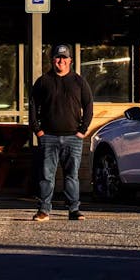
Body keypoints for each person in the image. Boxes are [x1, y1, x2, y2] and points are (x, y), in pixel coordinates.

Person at [29, 43, 94, 221]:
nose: (61, 61)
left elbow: (88, 106)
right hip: (48, 137)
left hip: (73, 137)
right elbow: (33, 106)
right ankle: (44, 210)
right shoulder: (43, 81)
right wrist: (37, 130)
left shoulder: (79, 81)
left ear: (70, 60)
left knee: (72, 176)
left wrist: (82, 130)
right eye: (58, 57)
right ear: (52, 60)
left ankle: (74, 210)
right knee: (46, 176)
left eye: (64, 58)